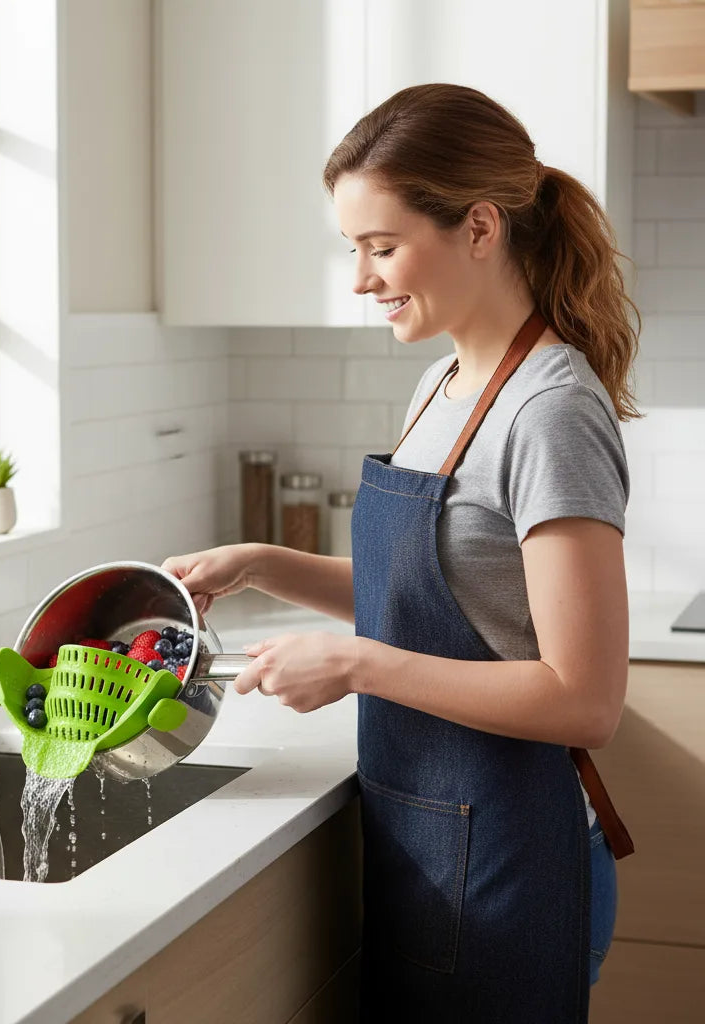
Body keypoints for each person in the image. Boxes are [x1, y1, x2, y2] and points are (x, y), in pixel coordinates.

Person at [161, 83, 639, 1022]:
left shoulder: (550, 412)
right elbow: (430, 599)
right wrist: (262, 561)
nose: (362, 278)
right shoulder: (443, 382)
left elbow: (585, 698)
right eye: (353, 249)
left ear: (479, 228)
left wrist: (358, 666)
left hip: (510, 859)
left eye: (383, 247)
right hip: (430, 838)